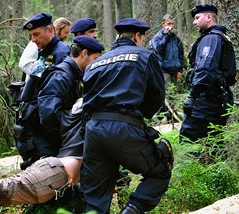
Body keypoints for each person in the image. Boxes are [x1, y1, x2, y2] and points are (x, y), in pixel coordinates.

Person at [0, 36, 105, 208]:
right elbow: (49, 115)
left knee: (44, 196)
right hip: (40, 139)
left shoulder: (73, 75)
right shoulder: (62, 75)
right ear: (84, 54)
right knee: (6, 192)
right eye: (95, 58)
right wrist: (70, 131)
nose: (96, 63)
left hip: (46, 142)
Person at [81, 18, 173, 214]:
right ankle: (132, 210)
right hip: (124, 127)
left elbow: (86, 98)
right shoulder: (146, 56)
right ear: (137, 36)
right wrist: (142, 114)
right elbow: (156, 95)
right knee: (160, 171)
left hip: (93, 130)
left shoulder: (95, 63)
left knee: (96, 195)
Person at [15, 12, 70, 169]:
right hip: (35, 126)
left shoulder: (61, 53)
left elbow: (63, 94)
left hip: (50, 129)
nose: (33, 39)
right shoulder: (42, 53)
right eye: (31, 35)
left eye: (36, 34)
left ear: (50, 31)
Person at [179, 4, 237, 143]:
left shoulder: (211, 39)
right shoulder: (219, 37)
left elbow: (205, 69)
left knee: (189, 138)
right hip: (216, 97)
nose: (194, 22)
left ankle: (194, 165)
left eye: (197, 17)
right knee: (213, 140)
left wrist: (192, 96)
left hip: (206, 99)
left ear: (209, 17)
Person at [149, 14, 184, 88]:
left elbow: (180, 55)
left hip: (175, 72)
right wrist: (166, 36)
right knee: (166, 94)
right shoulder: (157, 37)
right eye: (169, 24)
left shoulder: (175, 38)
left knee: (176, 95)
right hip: (164, 72)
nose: (171, 26)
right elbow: (158, 49)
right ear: (163, 24)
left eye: (172, 23)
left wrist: (180, 70)